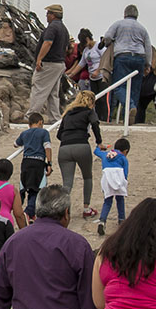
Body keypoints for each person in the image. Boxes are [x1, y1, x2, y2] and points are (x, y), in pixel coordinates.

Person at [56, 90, 102, 220]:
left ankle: (64, 211)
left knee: (67, 183)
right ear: (91, 102)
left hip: (64, 148)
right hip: (81, 145)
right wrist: (99, 142)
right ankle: (86, 209)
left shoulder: (68, 114)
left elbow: (59, 135)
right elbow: (95, 124)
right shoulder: (89, 112)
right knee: (87, 177)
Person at [102, 5, 152, 121]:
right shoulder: (142, 28)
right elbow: (148, 47)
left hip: (122, 56)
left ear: (125, 14)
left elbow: (108, 36)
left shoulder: (118, 24)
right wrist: (148, 64)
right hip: (139, 58)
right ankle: (128, 118)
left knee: (119, 86)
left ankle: (130, 107)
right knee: (134, 88)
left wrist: (109, 43)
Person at [29, 4, 69, 123]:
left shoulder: (52, 28)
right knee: (53, 93)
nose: (46, 16)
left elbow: (47, 43)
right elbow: (66, 48)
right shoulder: (64, 29)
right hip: (59, 63)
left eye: (48, 13)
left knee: (39, 88)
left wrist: (39, 59)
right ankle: (55, 118)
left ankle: (31, 116)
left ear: (53, 15)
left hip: (49, 63)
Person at [15, 114, 53, 219]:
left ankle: (17, 210)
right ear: (40, 122)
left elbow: (15, 144)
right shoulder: (44, 132)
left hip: (26, 162)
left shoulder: (24, 133)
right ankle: (29, 211)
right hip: (38, 162)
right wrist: (49, 163)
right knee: (36, 189)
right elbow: (47, 147)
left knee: (23, 188)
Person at [95, 138, 130, 237]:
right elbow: (125, 172)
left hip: (107, 179)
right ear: (126, 151)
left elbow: (96, 151)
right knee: (120, 199)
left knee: (107, 201)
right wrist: (124, 182)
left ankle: (102, 221)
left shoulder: (105, 154)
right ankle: (122, 220)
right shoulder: (123, 158)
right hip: (118, 178)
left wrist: (100, 147)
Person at [66, 28, 102, 93]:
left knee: (102, 98)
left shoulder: (99, 46)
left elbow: (105, 59)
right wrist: (72, 74)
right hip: (92, 78)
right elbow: (81, 64)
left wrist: (97, 71)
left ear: (87, 39)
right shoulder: (86, 50)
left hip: (101, 77)